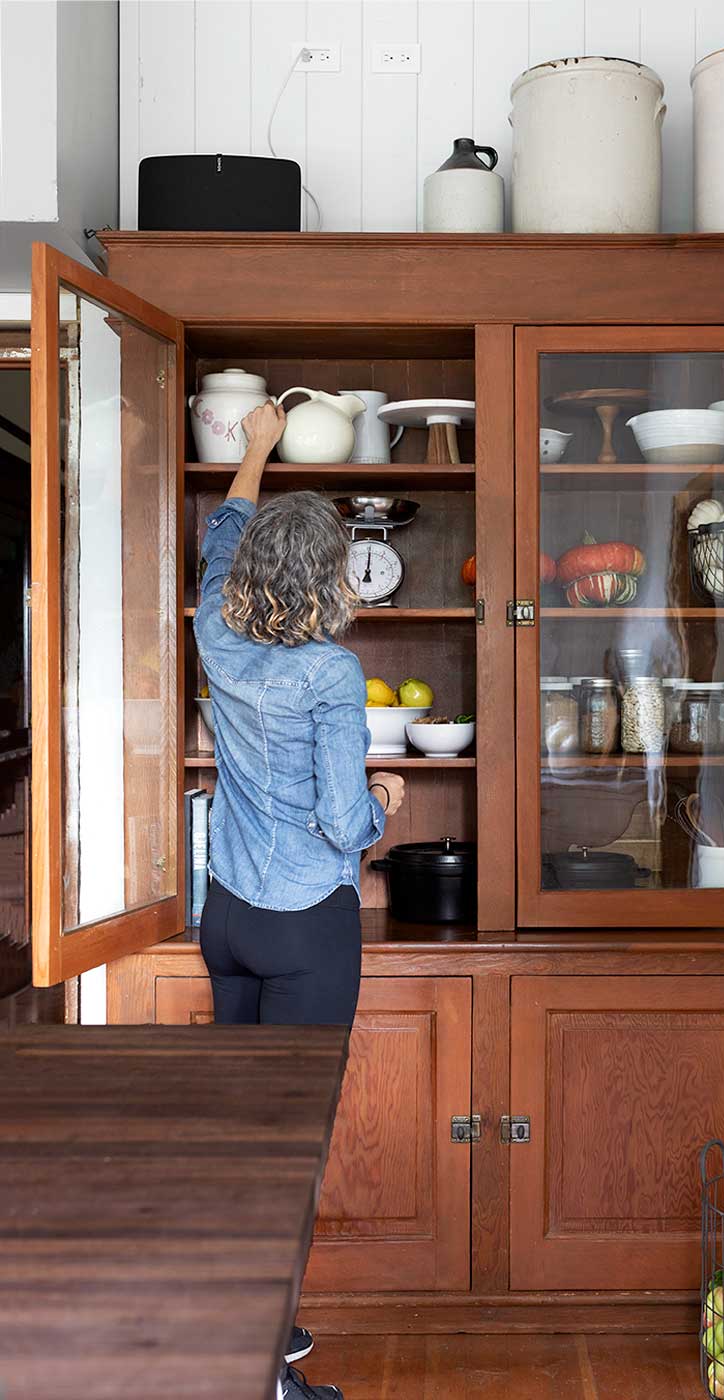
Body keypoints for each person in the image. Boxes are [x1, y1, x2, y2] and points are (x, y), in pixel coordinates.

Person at [194, 401, 405, 1400]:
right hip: (302, 927)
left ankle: (250, 1325)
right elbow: (339, 821)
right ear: (328, 579)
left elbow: (225, 531)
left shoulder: (210, 629)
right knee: (288, 1152)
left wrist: (256, 452)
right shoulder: (330, 669)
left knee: (242, 1139)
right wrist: (387, 802)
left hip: (226, 915)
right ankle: (264, 1371)